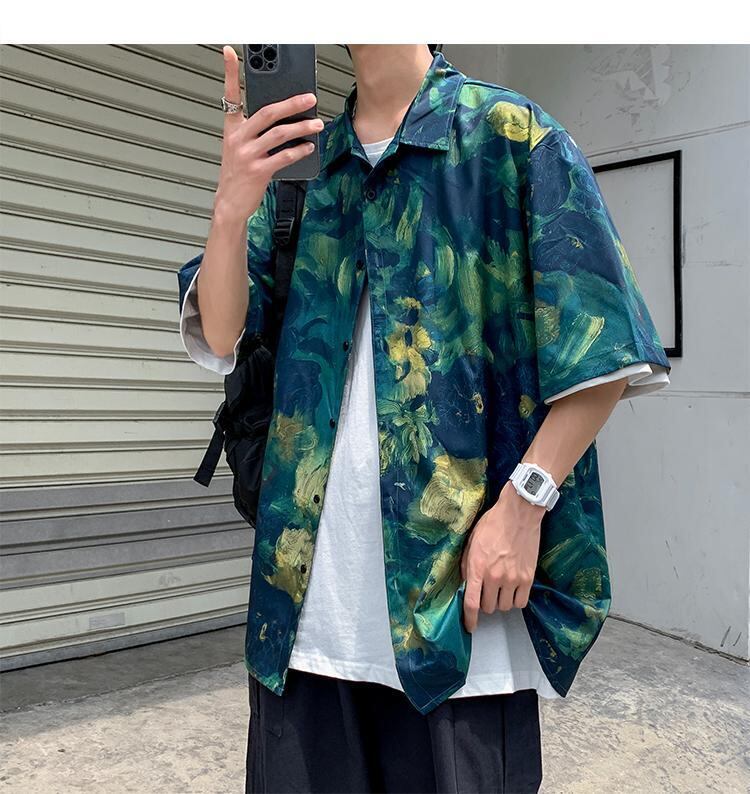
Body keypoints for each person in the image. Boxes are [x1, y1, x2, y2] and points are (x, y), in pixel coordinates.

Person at [177, 44, 671, 793]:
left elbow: (602, 350)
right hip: (305, 621)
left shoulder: (511, 137)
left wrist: (524, 506)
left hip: (459, 624)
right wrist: (230, 204)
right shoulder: (304, 166)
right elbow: (220, 335)